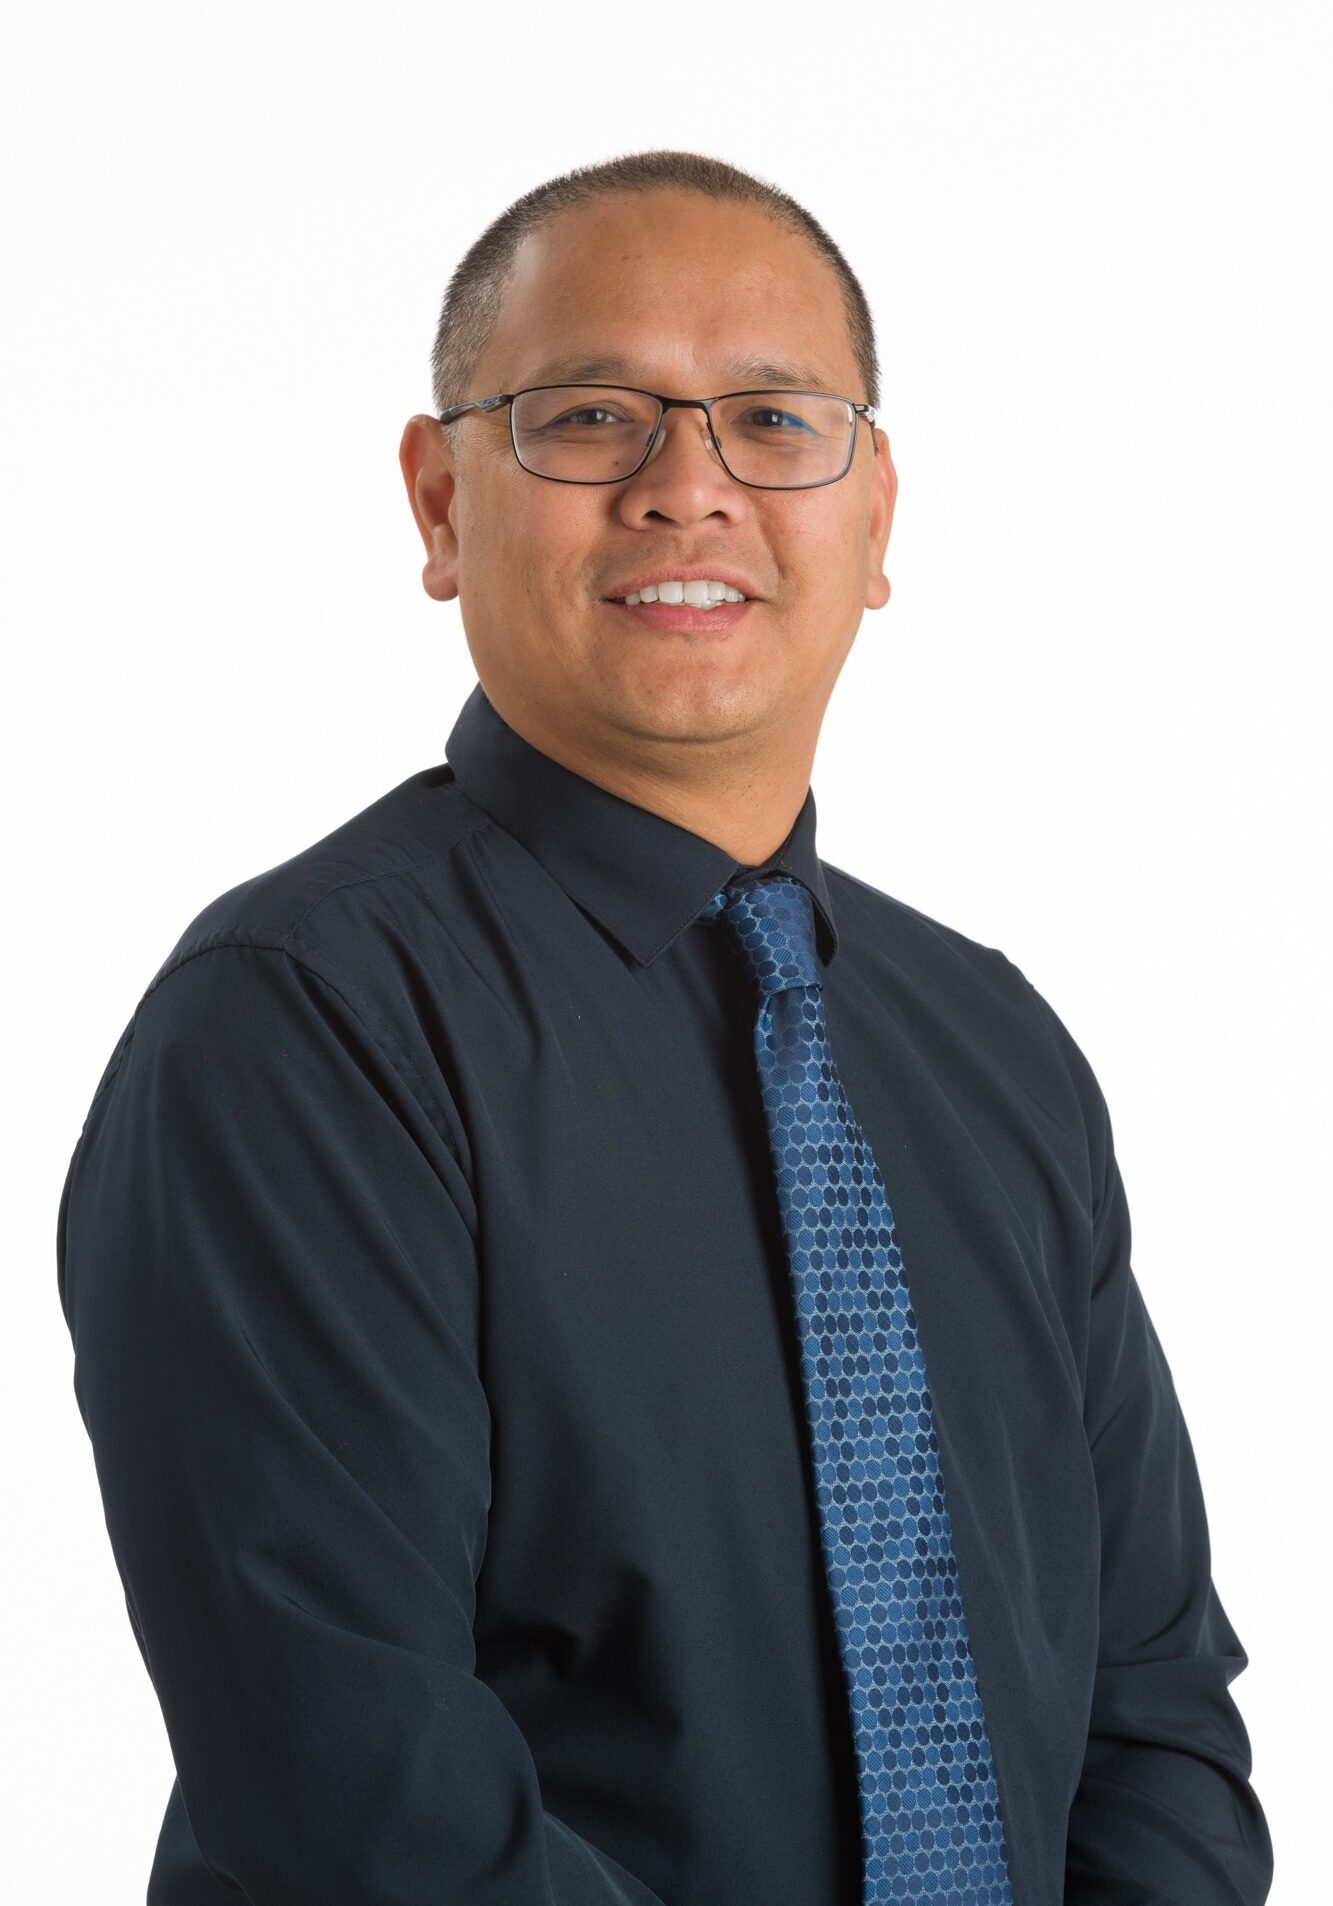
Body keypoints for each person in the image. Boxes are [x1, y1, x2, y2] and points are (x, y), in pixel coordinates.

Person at [56, 148, 1274, 1906]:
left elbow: (1149, 1707)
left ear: (874, 521)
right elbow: (367, 1807)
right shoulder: (301, 1026)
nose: (685, 488)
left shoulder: (991, 1046)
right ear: (439, 503)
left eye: (771, 423)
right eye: (587, 416)